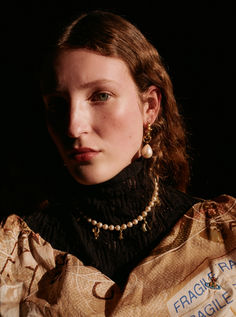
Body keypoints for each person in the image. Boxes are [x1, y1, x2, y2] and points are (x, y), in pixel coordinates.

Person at [0, 10, 235, 317]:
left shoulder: (225, 239)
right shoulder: (12, 256)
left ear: (149, 106)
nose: (73, 127)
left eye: (100, 96)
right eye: (58, 105)